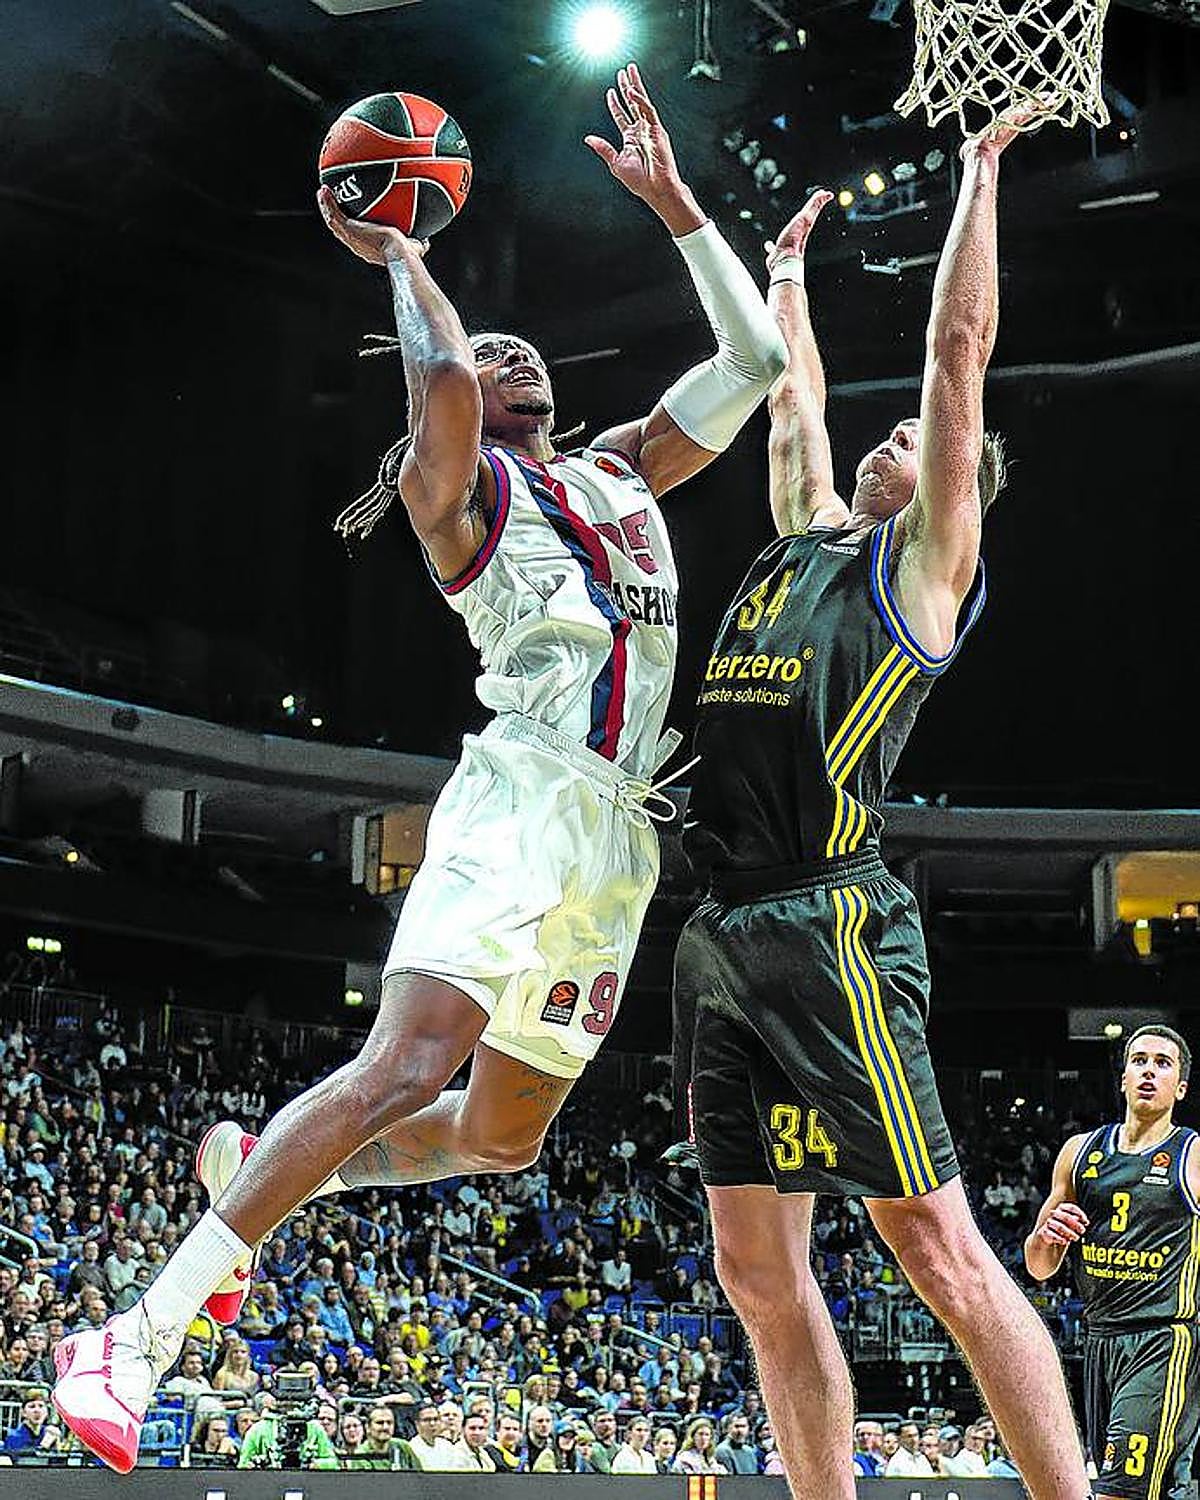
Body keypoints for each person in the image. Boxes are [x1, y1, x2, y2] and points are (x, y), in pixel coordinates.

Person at [51, 62, 785, 1474]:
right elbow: (441, 371)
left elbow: (753, 364)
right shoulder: (455, 498)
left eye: (525, 351)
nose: (511, 358)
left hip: (621, 840)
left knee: (501, 1138)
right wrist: (402, 248)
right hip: (519, 800)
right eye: (495, 351)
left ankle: (256, 1168)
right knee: (404, 1066)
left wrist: (682, 208)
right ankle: (131, 1337)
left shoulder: (626, 469)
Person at [669, 101, 1097, 1500]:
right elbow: (794, 405)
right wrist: (784, 276)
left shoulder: (917, 577)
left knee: (936, 1248)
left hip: (829, 922)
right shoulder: (804, 544)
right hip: (721, 929)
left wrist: (978, 178)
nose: (895, 439)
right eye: (895, 436)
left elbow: (956, 353)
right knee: (754, 1270)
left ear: (951, 494)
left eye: (920, 444)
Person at [1025, 1025, 1200, 1500]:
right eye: (1139, 1060)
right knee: (1148, 1489)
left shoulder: (1193, 1155)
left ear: (1180, 1088)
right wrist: (1048, 1235)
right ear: (1122, 1077)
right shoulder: (1079, 1152)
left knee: (1118, 1492)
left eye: (1163, 1063)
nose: (1149, 1070)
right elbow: (1038, 1265)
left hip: (1163, 1338)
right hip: (1099, 1341)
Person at [340, 1404, 419, 1472]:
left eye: (389, 1423)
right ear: (368, 1427)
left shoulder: (403, 1446)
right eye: (380, 1423)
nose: (385, 1427)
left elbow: (420, 1476)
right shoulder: (361, 1455)